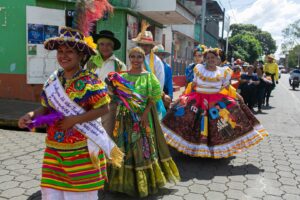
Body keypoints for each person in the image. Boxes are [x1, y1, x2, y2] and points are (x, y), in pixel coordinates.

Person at [18, 27, 123, 200]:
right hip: (54, 149)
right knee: (51, 194)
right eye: (60, 51)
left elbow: (104, 108)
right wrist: (31, 115)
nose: (63, 55)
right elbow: (45, 108)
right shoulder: (53, 80)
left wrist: (74, 120)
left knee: (79, 196)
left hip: (81, 150)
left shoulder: (90, 81)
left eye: (69, 52)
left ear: (81, 55)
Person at [161, 48, 268, 158]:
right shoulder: (198, 68)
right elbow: (193, 84)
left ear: (217, 59)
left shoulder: (223, 71)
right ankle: (194, 148)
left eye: (213, 57)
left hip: (216, 101)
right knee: (188, 118)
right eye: (208, 58)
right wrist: (184, 96)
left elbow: (227, 86)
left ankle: (214, 150)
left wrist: (237, 95)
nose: (210, 60)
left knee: (220, 124)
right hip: (198, 99)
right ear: (205, 59)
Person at [106, 47, 180, 197]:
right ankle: (121, 182)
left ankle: (143, 183)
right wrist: (111, 88)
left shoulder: (148, 76)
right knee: (124, 145)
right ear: (129, 58)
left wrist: (145, 115)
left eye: (139, 57)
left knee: (141, 147)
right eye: (132, 56)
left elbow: (153, 97)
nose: (135, 60)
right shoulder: (122, 76)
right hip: (123, 117)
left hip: (142, 118)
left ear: (143, 59)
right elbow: (114, 96)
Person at [87, 30, 127, 136]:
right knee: (91, 137)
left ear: (113, 47)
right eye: (102, 44)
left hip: (109, 106)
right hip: (91, 105)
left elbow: (124, 89)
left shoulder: (119, 65)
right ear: (98, 46)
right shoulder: (90, 63)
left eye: (109, 44)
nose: (105, 47)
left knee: (106, 137)